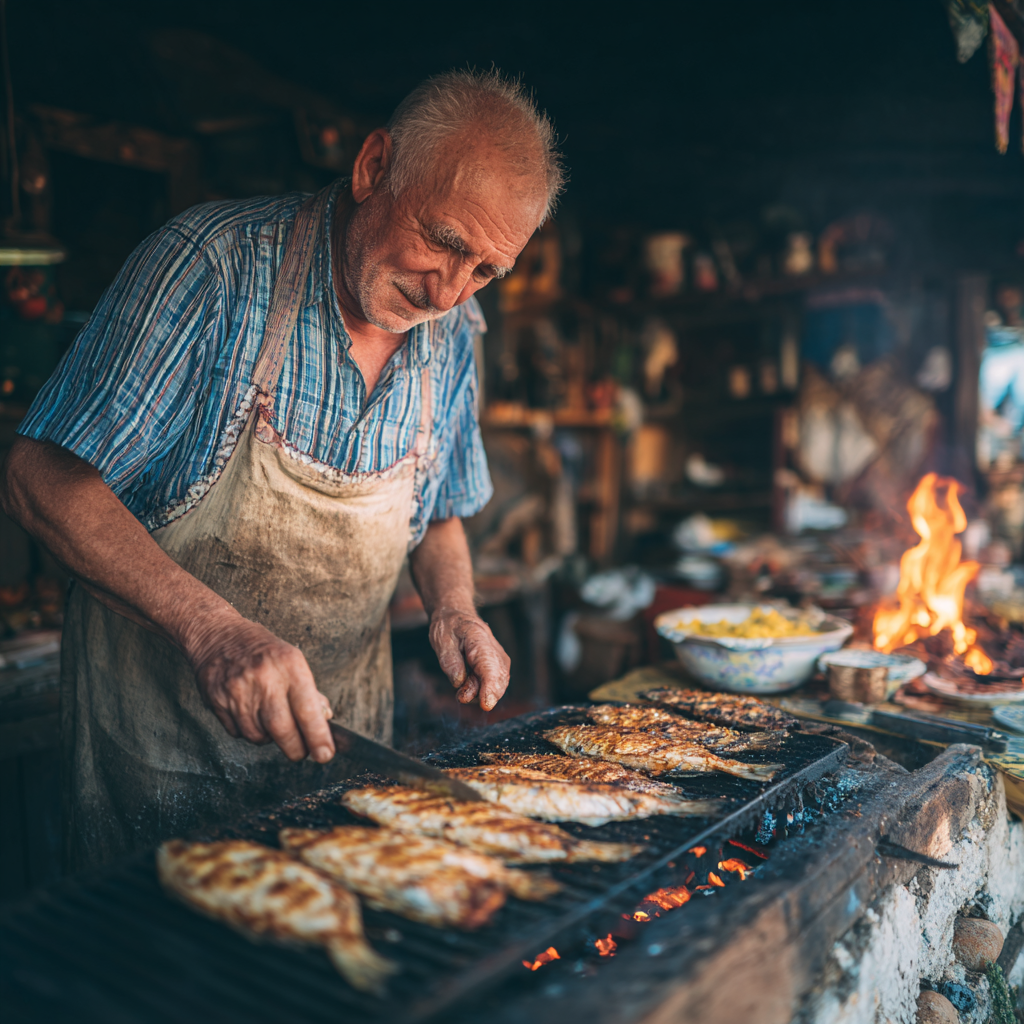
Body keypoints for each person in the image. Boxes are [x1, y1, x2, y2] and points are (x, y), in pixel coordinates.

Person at [0, 69, 564, 868]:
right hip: (163, 769)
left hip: (344, 769)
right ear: (374, 168)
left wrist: (455, 607)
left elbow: (439, 510)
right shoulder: (211, 269)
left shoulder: (455, 328)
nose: (448, 289)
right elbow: (37, 477)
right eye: (442, 240)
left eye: (483, 270)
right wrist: (214, 631)